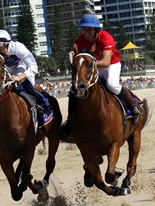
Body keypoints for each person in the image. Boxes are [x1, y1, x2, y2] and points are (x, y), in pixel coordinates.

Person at [60, 14, 143, 142]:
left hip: (110, 64)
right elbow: (77, 53)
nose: (86, 32)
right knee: (74, 89)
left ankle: (134, 106)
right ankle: (70, 122)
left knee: (111, 84)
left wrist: (89, 64)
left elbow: (105, 62)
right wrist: (73, 56)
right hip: (92, 66)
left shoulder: (106, 37)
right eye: (84, 29)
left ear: (96, 30)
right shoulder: (80, 39)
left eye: (89, 29)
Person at [0, 29, 43, 113]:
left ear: (8, 43)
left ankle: (40, 104)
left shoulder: (18, 47)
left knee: (20, 83)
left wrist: (19, 77)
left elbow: (33, 67)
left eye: (0, 45)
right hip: (4, 69)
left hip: (20, 65)